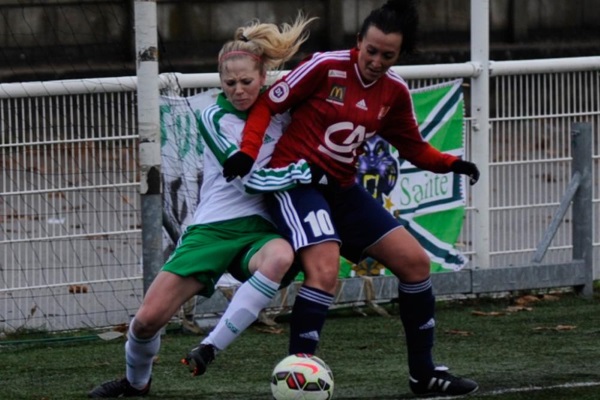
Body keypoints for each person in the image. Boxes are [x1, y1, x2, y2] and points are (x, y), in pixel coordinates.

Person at [221, 0, 480, 397]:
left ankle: (423, 374)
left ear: (400, 54)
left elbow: (413, 147)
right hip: (298, 183)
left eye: (387, 55)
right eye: (370, 50)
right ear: (359, 41)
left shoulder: (394, 92)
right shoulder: (324, 66)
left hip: (342, 189)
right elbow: (267, 104)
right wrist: (247, 153)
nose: (375, 60)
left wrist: (452, 164)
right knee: (324, 271)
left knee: (415, 263)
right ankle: (298, 383)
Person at [87, 13, 316, 398]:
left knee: (280, 256)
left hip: (260, 230)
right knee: (146, 322)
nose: (239, 90)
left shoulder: (284, 113)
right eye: (230, 83)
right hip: (212, 230)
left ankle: (210, 346)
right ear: (219, 82)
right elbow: (250, 179)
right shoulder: (213, 116)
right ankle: (135, 383)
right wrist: (305, 172)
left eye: (247, 81)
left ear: (263, 78)